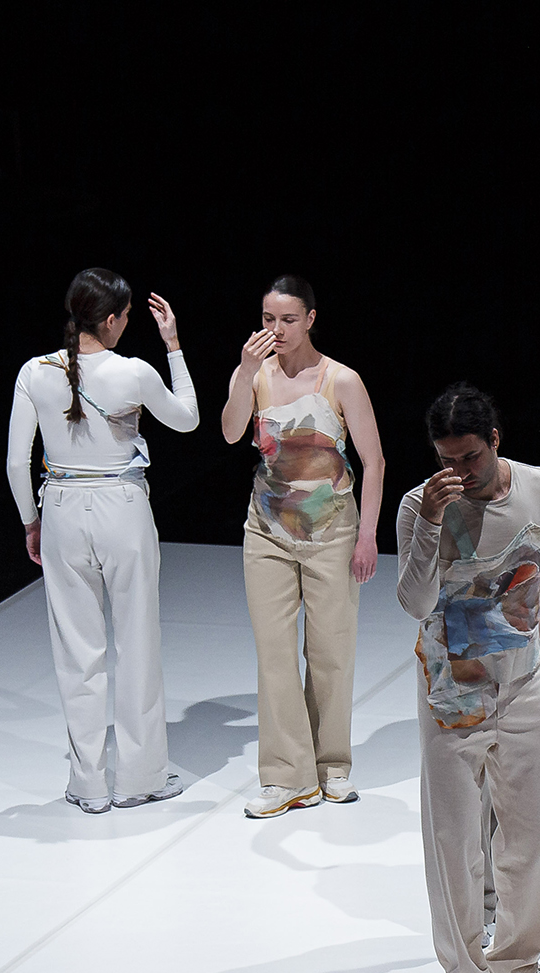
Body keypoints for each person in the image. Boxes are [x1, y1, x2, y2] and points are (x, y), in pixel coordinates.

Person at [395, 384, 540, 973]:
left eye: (470, 457)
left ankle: (517, 963)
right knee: (453, 841)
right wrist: (429, 523)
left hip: (524, 681)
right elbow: (415, 601)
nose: (460, 471)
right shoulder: (420, 505)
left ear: (495, 440)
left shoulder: (539, 487)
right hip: (453, 691)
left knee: (532, 832)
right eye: (446, 459)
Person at [5, 268, 198, 812]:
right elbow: (188, 419)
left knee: (77, 652)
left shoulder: (35, 372)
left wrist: (31, 521)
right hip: (123, 509)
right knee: (137, 643)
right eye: (127, 316)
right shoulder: (133, 371)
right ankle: (140, 778)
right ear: (110, 320)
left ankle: (88, 785)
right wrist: (174, 346)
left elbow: (17, 463)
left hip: (61, 508)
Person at [218, 275, 387, 818]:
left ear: (311, 319)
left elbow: (374, 461)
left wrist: (368, 536)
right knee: (273, 652)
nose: (277, 329)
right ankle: (286, 776)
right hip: (267, 529)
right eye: (269, 319)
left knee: (331, 650)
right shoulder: (255, 374)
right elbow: (230, 432)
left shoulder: (342, 379)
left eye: (288, 319)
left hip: (332, 530)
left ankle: (332, 765)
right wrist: (243, 372)